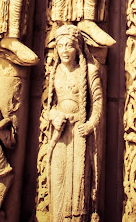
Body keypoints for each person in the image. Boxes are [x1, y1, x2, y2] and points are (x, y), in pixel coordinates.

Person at [48, 24, 103, 222]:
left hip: (80, 132)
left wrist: (90, 124)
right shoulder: (54, 71)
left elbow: (97, 103)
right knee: (58, 176)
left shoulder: (89, 71)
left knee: (79, 181)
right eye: (60, 46)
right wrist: (54, 116)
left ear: (77, 48)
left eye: (69, 45)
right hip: (60, 132)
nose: (64, 50)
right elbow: (50, 105)